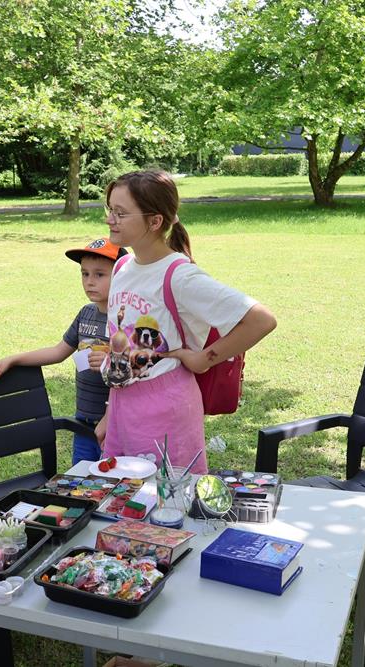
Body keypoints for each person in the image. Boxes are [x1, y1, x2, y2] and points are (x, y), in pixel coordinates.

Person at [99, 170, 276, 473]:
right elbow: (122, 347)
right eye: (109, 210)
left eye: (120, 213)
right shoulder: (123, 266)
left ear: (155, 221)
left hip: (165, 408)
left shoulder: (180, 276)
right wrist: (108, 414)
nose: (109, 220)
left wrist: (203, 359)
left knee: (167, 497)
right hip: (122, 406)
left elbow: (261, 320)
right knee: (123, 493)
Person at [0, 238, 127, 464]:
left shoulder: (126, 320)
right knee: (81, 479)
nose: (89, 282)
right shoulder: (86, 314)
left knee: (112, 480)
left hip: (115, 425)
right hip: (83, 422)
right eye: (85, 273)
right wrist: (14, 359)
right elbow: (58, 352)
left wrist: (110, 362)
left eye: (100, 274)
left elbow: (134, 371)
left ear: (122, 276)